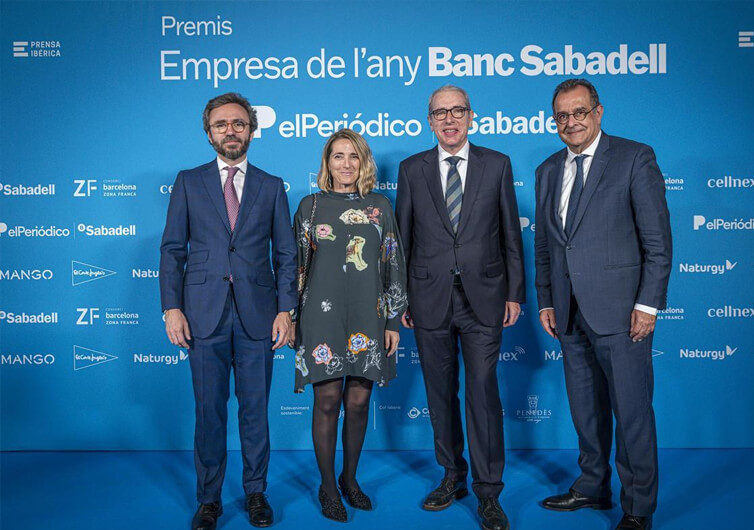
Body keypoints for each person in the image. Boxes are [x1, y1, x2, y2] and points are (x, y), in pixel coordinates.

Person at [534, 79, 672, 530]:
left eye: (579, 112)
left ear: (598, 112)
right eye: (562, 116)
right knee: (586, 410)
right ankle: (593, 486)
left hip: (621, 312)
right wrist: (547, 301)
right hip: (569, 313)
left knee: (632, 413)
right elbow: (545, 246)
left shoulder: (635, 157)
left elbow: (657, 242)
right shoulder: (548, 170)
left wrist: (648, 305)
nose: (570, 122)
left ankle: (638, 508)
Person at [159, 92, 296, 530]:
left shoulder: (272, 186)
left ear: (252, 130)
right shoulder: (188, 181)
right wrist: (172, 308)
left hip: (259, 315)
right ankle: (209, 501)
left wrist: (286, 310)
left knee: (255, 411)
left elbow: (287, 255)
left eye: (239, 123)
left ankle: (256, 494)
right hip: (202, 315)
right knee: (209, 411)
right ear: (209, 132)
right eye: (222, 125)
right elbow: (172, 251)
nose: (231, 131)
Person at [395, 85, 525, 530]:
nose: (449, 120)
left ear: (472, 116)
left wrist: (515, 293)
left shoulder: (497, 164)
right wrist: (402, 301)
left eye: (457, 111)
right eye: (440, 113)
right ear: (429, 121)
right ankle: (452, 475)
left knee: (483, 394)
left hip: (485, 298)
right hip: (428, 299)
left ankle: (489, 492)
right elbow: (403, 242)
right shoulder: (412, 170)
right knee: (439, 394)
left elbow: (511, 234)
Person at [291, 128, 407, 522]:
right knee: (326, 401)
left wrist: (393, 319)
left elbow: (393, 264)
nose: (345, 164)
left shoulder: (380, 207)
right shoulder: (309, 207)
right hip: (320, 318)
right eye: (337, 156)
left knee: (358, 402)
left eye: (353, 156)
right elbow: (297, 270)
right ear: (327, 163)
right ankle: (327, 488)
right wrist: (291, 319)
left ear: (363, 162)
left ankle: (349, 480)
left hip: (368, 316)